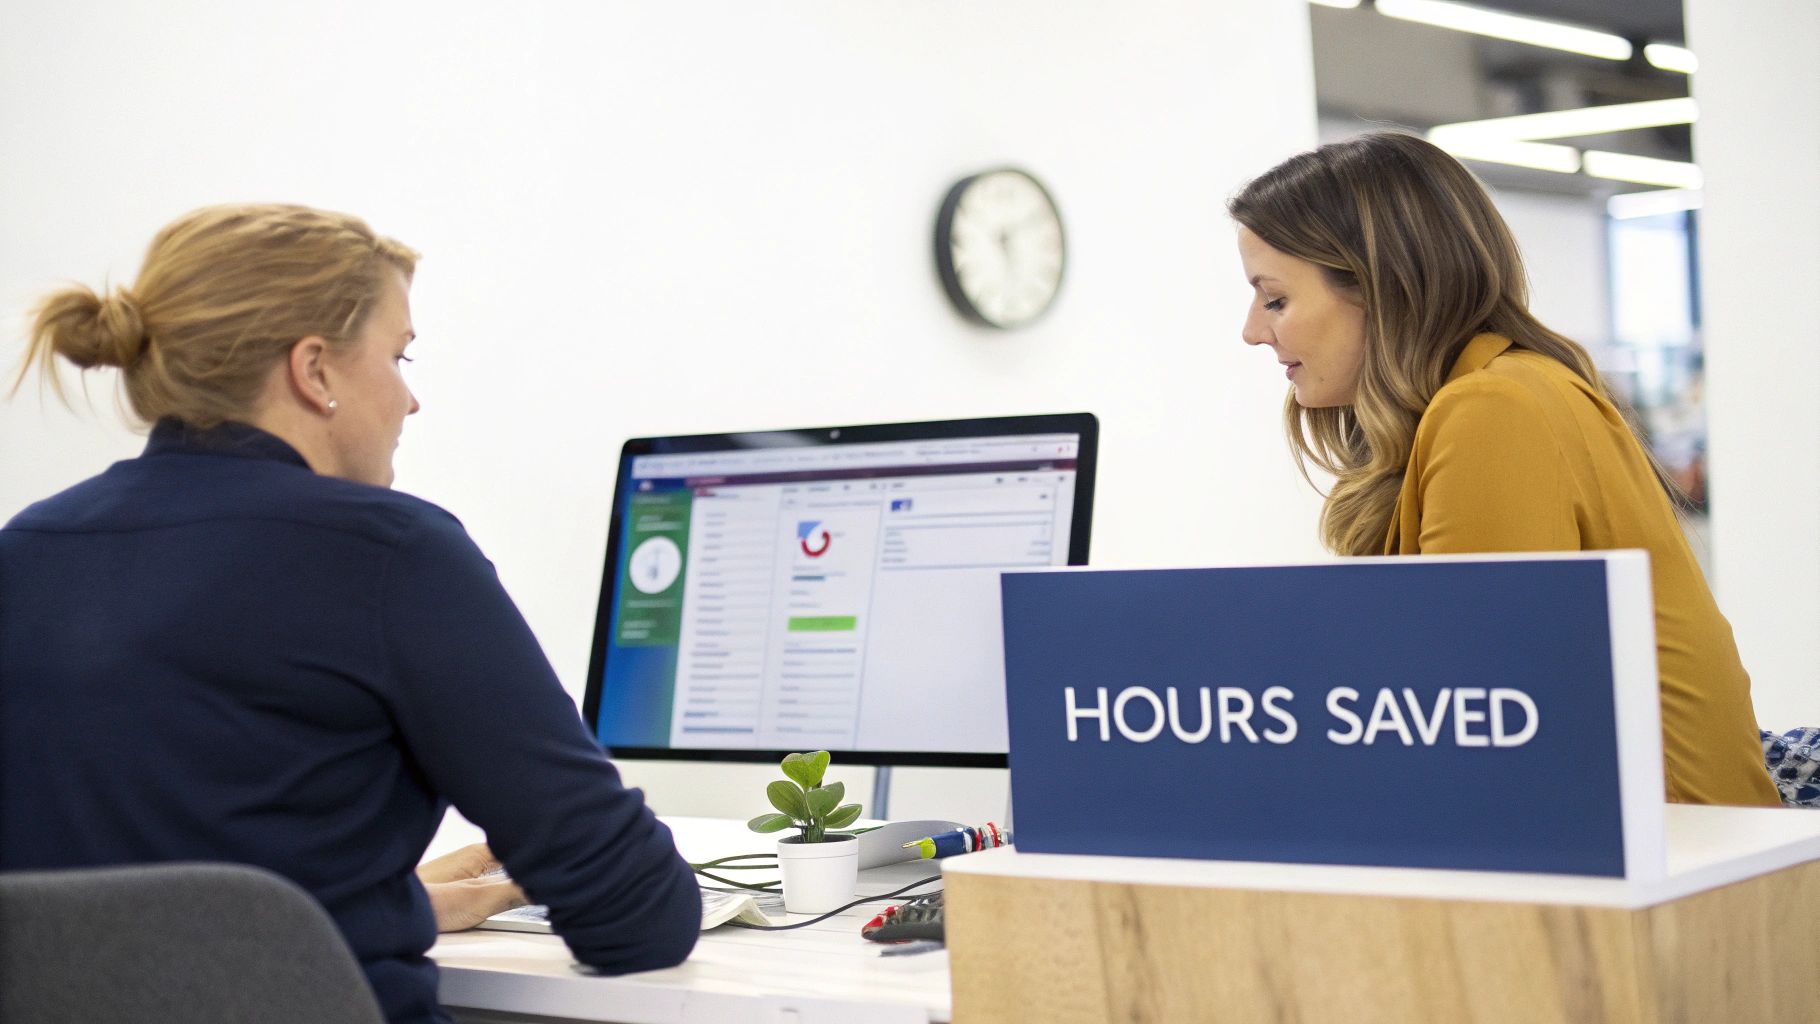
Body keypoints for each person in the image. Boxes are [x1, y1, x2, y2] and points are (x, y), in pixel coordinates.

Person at [0, 204, 702, 1023]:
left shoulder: (24, 551)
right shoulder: (390, 556)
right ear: (315, 370)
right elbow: (635, 913)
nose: (410, 401)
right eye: (399, 357)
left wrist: (366, 904)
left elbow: (128, 904)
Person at [1228, 132, 1778, 807]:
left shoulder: (1493, 408)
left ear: (1381, 288)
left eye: (1275, 300)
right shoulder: (1486, 396)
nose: (1253, 331)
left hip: (1669, 851)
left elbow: (1479, 728)